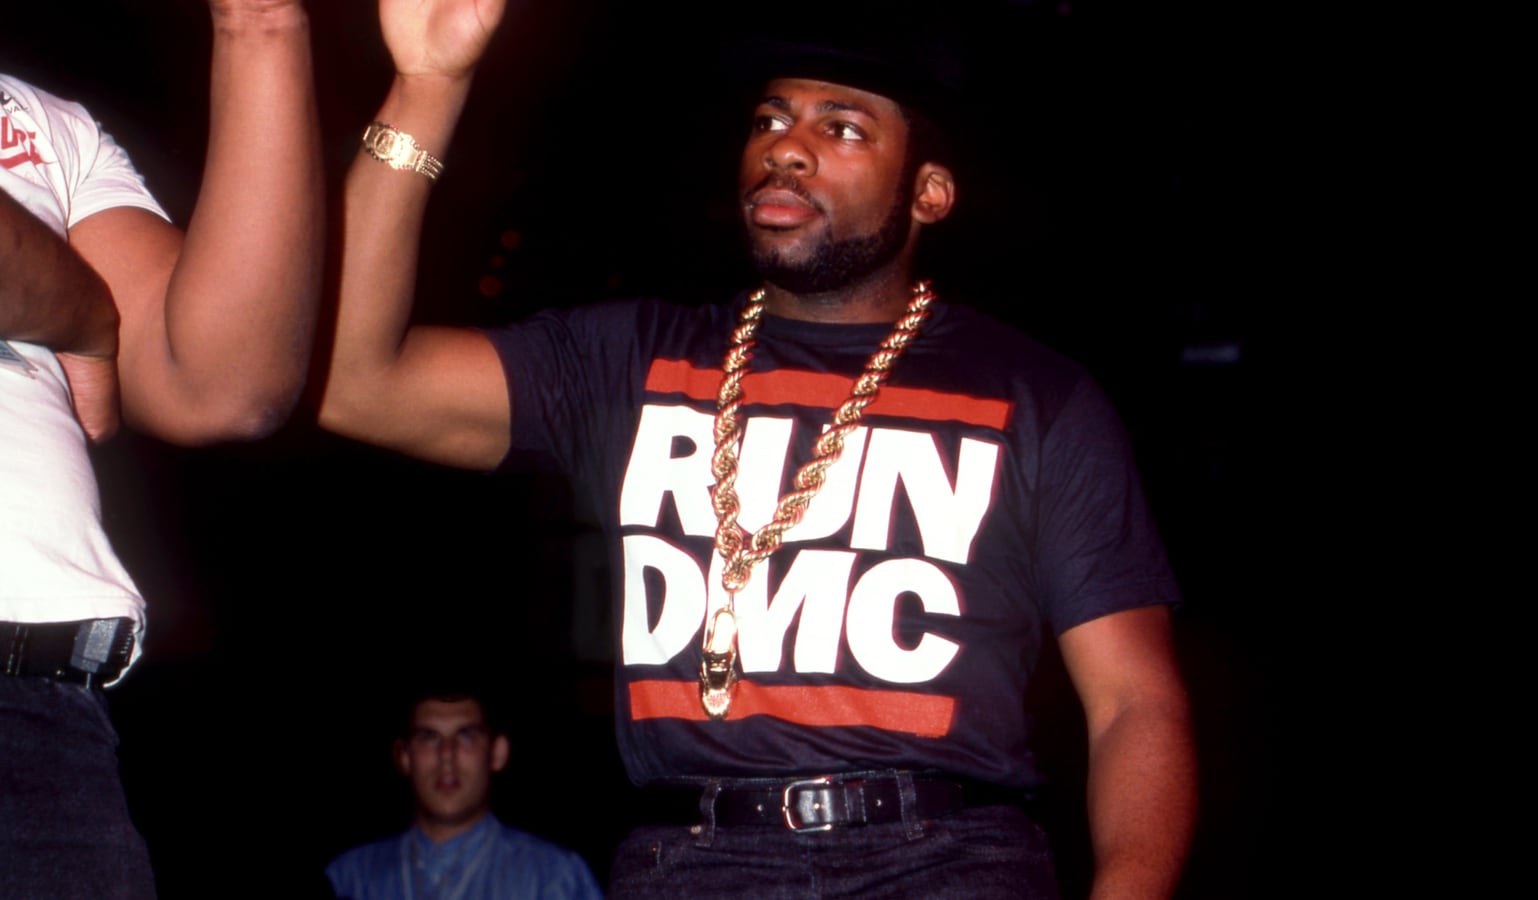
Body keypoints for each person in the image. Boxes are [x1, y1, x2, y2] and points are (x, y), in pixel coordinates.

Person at [319, 1, 1196, 896]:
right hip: (694, 863)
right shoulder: (630, 362)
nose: (787, 149)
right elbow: (352, 381)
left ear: (929, 193)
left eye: (841, 127)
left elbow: (1135, 703)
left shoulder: (1036, 396)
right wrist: (427, 85)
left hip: (949, 863)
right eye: (771, 119)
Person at [0, 2, 322, 897]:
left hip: (49, 723)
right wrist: (83, 314)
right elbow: (99, 314)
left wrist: (263, 26)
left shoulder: (46, 122)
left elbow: (226, 384)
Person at [324, 690, 604, 900]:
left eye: (466, 736)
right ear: (404, 756)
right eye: (428, 737)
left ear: (497, 752)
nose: (447, 756)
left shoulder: (555, 878)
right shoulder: (350, 879)